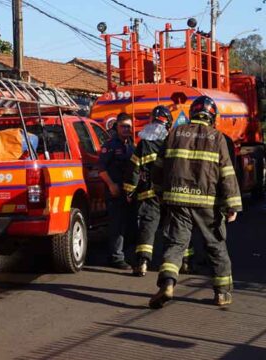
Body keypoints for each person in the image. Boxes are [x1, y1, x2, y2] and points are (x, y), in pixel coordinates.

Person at [149, 95, 242, 309]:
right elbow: (227, 173)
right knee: (216, 244)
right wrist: (232, 205)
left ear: (192, 114)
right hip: (208, 202)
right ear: (212, 116)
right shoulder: (217, 138)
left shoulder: (174, 133)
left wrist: (159, 192)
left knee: (177, 243)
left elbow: (159, 167)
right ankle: (222, 294)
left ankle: (168, 283)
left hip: (177, 199)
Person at [123, 105, 173, 276]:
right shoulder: (171, 141)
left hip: (149, 193)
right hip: (171, 193)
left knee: (148, 227)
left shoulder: (143, 143)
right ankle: (180, 262)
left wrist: (129, 190)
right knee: (173, 227)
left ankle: (143, 261)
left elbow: (134, 169)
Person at [98, 112, 136, 269]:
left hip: (128, 191)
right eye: (123, 126)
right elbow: (101, 169)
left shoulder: (131, 144)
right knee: (117, 225)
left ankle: (124, 254)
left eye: (129, 127)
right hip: (114, 191)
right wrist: (111, 185)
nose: (127, 129)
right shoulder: (110, 145)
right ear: (117, 127)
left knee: (130, 225)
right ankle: (116, 258)